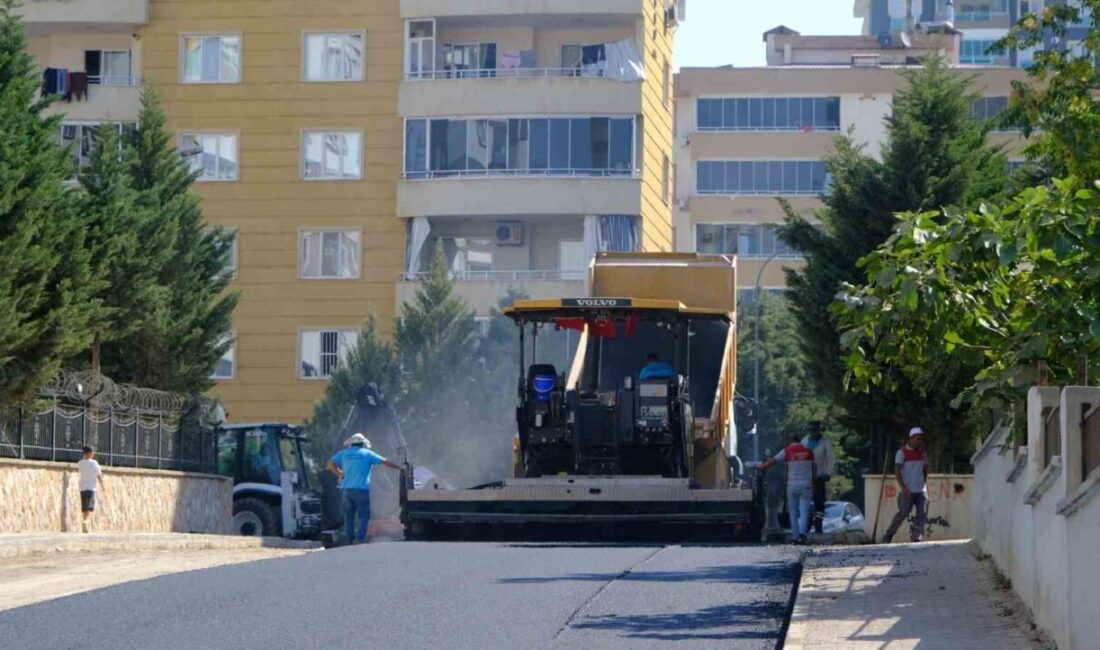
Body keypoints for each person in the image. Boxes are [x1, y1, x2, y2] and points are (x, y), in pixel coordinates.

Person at [326, 433, 404, 545]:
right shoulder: (367, 454)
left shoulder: (344, 453)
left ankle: (349, 540)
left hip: (346, 490)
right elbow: (385, 461)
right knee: (364, 516)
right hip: (361, 490)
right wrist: (400, 468)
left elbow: (329, 463)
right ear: (363, 443)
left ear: (351, 443)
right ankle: (359, 538)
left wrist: (339, 474)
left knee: (349, 517)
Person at [758, 433, 816, 543]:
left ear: (789, 441)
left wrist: (760, 466)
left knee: (793, 512)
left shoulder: (787, 451)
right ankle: (802, 535)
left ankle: (795, 537)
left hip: (792, 485)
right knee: (804, 511)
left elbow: (772, 462)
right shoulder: (809, 452)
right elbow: (814, 469)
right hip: (806, 485)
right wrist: (814, 485)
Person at [884, 426, 930, 543]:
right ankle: (889, 534)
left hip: (921, 489)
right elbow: (897, 472)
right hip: (907, 490)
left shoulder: (923, 453)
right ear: (911, 438)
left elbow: (925, 469)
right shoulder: (901, 453)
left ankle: (916, 536)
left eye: (921, 439)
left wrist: (924, 483)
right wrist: (903, 487)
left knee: (922, 513)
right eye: (918, 439)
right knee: (903, 513)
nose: (920, 441)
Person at [802, 421, 835, 535]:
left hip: (820, 475)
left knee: (819, 500)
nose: (812, 433)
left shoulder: (825, 442)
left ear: (819, 431)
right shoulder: (804, 441)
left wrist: (828, 473)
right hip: (806, 475)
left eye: (815, 431)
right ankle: (806, 523)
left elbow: (831, 458)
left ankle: (818, 523)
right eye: (810, 430)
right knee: (806, 500)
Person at [77, 446, 105, 533]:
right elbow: (99, 475)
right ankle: (85, 521)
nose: (93, 454)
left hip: (82, 488)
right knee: (89, 507)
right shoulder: (94, 463)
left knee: (84, 507)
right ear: (89, 453)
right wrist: (102, 484)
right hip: (91, 488)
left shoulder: (80, 463)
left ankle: (85, 525)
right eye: (92, 452)